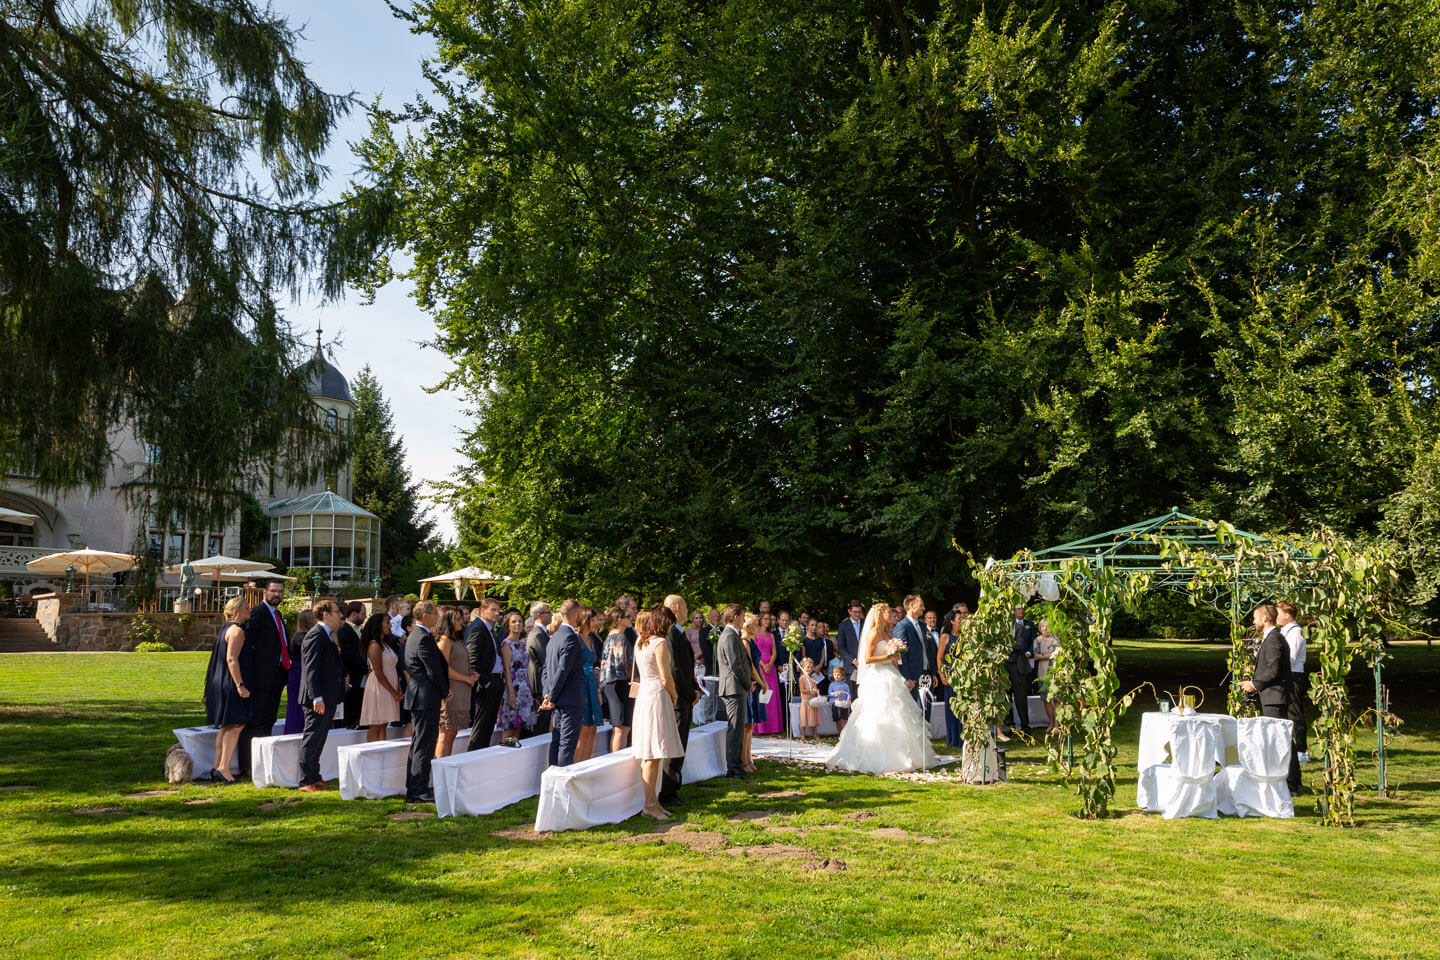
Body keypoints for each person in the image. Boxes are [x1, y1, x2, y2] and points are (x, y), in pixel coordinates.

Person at [826, 603, 940, 774]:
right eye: (888, 612)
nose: (892, 614)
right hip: (878, 676)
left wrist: (896, 656)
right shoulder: (873, 633)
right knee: (880, 713)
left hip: (891, 673)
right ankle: (877, 753)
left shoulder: (887, 632)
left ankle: (904, 754)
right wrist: (889, 656)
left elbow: (892, 655)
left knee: (899, 711)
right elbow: (868, 658)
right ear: (880, 614)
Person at [1241, 604, 1302, 794]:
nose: (1253, 621)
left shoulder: (1274, 639)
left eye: (1255, 618)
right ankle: (1289, 781)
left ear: (1265, 618)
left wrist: (1254, 684)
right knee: (1281, 739)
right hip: (1272, 696)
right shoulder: (1272, 638)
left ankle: (1291, 783)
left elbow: (1273, 670)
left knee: (1281, 739)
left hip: (1275, 697)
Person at [631, 609, 684, 820]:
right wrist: (674, 696)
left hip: (645, 695)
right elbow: (665, 676)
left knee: (651, 752)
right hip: (656, 696)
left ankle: (653, 801)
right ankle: (649, 804)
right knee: (653, 753)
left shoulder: (640, 641)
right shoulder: (659, 643)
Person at [239, 578, 289, 776]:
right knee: (255, 722)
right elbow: (247, 645)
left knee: (269, 720)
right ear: (265, 592)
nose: (277, 595)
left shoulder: (278, 614)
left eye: (280, 592)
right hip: (260, 677)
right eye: (274, 591)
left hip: (277, 674)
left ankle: (263, 761)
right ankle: (247, 765)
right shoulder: (258, 613)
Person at [203, 594, 253, 783]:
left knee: (226, 726)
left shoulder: (226, 629)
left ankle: (217, 766)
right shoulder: (237, 631)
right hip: (231, 683)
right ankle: (224, 768)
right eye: (247, 607)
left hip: (220, 682)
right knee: (236, 724)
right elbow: (231, 659)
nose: (250, 610)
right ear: (237, 611)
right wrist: (240, 685)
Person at [402, 600, 448, 803]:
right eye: (435, 614)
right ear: (424, 616)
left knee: (421, 742)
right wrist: (444, 691)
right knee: (424, 743)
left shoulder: (421, 635)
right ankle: (418, 788)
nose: (438, 617)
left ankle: (415, 785)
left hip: (423, 694)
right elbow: (433, 669)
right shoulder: (421, 637)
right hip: (424, 695)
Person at [297, 600, 345, 792]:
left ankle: (314, 774)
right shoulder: (315, 636)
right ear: (326, 614)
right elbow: (311, 669)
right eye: (337, 612)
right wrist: (316, 697)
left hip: (327, 696)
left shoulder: (326, 635)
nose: (340, 616)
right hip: (318, 698)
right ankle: (305, 779)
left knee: (320, 736)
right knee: (312, 736)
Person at [659, 595, 699, 807]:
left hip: (684, 696)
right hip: (677, 699)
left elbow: (685, 667)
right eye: (685, 606)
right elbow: (674, 669)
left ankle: (673, 788)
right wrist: (690, 694)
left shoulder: (677, 632)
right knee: (673, 746)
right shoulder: (670, 634)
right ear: (676, 608)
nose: (687, 610)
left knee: (680, 743)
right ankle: (667, 792)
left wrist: (695, 687)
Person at [539, 599, 585, 767]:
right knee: (566, 744)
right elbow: (562, 670)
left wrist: (547, 693)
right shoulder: (570, 638)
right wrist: (551, 696)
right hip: (569, 700)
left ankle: (553, 781)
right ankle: (561, 783)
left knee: (557, 742)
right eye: (579, 613)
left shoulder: (555, 637)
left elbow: (546, 670)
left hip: (558, 698)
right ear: (574, 614)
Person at [715, 604, 757, 778]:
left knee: (738, 728)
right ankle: (733, 768)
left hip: (736, 687)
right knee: (735, 729)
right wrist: (748, 683)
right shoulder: (730, 636)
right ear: (734, 617)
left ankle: (737, 764)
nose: (743, 619)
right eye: (741, 616)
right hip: (733, 688)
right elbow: (735, 665)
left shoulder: (732, 635)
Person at [464, 597, 505, 752]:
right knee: (481, 727)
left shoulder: (487, 628)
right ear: (483, 610)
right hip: (486, 684)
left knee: (488, 726)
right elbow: (471, 657)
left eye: (498, 611)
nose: (496, 614)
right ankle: (474, 757)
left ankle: (480, 756)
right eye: (493, 610)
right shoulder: (477, 628)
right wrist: (484, 681)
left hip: (494, 681)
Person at [435, 609, 478, 758]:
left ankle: (445, 769)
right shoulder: (444, 640)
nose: (461, 622)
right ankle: (438, 773)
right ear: (448, 621)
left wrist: (471, 674)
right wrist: (466, 678)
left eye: (461, 619)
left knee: (452, 734)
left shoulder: (457, 640)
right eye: (457, 619)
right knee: (445, 734)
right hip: (451, 691)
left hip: (462, 692)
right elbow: (442, 667)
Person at [358, 612, 402, 742]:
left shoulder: (385, 644)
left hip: (388, 685)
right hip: (380, 686)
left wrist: (397, 686)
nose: (390, 626)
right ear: (378, 625)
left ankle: (381, 754)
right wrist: (393, 692)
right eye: (387, 623)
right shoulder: (374, 645)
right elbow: (379, 673)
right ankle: (371, 756)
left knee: (383, 724)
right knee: (376, 724)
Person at [1277, 601, 1310, 762]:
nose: (1275, 617)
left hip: (1294, 676)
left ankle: (1301, 751)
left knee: (1295, 714)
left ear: (1287, 615)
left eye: (1278, 613)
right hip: (1285, 675)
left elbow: (1290, 658)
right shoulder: (1284, 631)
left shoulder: (1296, 632)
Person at [496, 610, 537, 738]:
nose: (517, 624)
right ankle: (503, 755)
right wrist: (511, 694)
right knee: (510, 726)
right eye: (514, 622)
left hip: (524, 686)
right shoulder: (506, 644)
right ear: (508, 625)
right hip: (513, 687)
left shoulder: (523, 643)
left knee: (519, 725)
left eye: (519, 621)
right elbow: (507, 670)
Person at [599, 607, 634, 750]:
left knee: (621, 727)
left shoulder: (609, 637)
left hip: (611, 683)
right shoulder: (621, 638)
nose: (630, 619)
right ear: (619, 620)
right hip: (619, 683)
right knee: (621, 727)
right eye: (628, 617)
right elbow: (626, 662)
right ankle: (617, 761)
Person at [574, 606, 605, 762]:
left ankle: (585, 765)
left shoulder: (592, 639)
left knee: (592, 729)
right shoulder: (576, 638)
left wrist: (598, 691)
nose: (594, 623)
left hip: (592, 685)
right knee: (583, 730)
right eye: (591, 620)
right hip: (581, 686)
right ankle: (576, 766)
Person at [1003, 605, 1037, 740]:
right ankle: (1009, 725)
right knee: (1006, 695)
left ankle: (1025, 726)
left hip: (1019, 664)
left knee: (1021, 696)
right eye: (1018, 608)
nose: (1021, 611)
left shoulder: (1024, 626)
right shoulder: (1005, 626)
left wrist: (1009, 647)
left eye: (1023, 608)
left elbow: (1019, 645)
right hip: (1005, 665)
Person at [742, 614, 770, 770]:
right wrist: (760, 681)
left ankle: (749, 758)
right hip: (750, 684)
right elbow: (750, 665)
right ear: (748, 627)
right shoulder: (744, 642)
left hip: (757, 682)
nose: (759, 628)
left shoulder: (752, 641)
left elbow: (758, 664)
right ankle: (744, 760)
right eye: (756, 625)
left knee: (751, 724)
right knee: (747, 724)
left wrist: (764, 681)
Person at [283, 608, 315, 734]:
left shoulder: (299, 636)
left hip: (297, 671)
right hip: (300, 672)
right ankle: (295, 731)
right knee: (298, 705)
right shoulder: (303, 638)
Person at [337, 602, 367, 728]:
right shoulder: (344, 631)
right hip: (352, 676)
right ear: (353, 614)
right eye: (363, 614)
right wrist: (366, 667)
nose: (365, 617)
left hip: (361, 677)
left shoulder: (362, 630)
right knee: (352, 707)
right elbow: (349, 656)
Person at [938, 609, 965, 748]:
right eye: (959, 619)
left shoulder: (965, 636)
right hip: (951, 676)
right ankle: (954, 738)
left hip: (964, 677)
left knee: (964, 706)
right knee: (953, 707)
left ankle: (965, 736)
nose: (961, 621)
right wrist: (943, 676)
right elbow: (939, 657)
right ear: (952, 621)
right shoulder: (945, 637)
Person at [893, 595, 927, 703]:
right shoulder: (902, 626)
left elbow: (927, 649)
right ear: (911, 605)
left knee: (927, 709)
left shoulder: (922, 625)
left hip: (926, 674)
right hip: (913, 676)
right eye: (921, 605)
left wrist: (933, 672)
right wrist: (906, 678)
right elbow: (901, 655)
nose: (924, 608)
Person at [754, 612, 783, 735]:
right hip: (759, 665)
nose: (767, 621)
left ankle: (773, 726)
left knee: (772, 696)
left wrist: (770, 664)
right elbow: (754, 651)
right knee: (761, 695)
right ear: (760, 620)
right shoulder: (755, 634)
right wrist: (763, 664)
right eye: (765, 619)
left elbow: (774, 652)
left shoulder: (771, 635)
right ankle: (760, 727)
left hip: (770, 668)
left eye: (769, 619)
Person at [526, 601, 553, 735]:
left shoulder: (542, 633)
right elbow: (546, 661)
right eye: (548, 612)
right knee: (540, 727)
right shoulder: (537, 635)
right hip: (540, 688)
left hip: (543, 685)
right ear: (539, 615)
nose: (551, 614)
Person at [1033, 618, 1059, 733]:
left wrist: (1043, 655)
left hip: (1055, 673)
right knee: (1046, 700)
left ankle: (1057, 725)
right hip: (1042, 673)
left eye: (1047, 626)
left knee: (1057, 699)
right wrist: (1050, 655)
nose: (1045, 628)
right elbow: (1036, 655)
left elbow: (1057, 654)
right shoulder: (1037, 640)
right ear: (1040, 628)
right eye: (1043, 626)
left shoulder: (1056, 638)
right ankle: (1051, 723)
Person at [836, 600, 864, 701]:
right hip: (851, 666)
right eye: (855, 612)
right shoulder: (843, 626)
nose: (857, 614)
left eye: (859, 612)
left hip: (866, 664)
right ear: (849, 611)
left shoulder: (866, 624)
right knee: (853, 695)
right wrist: (854, 661)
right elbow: (841, 647)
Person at [797, 657, 822, 742]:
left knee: (813, 719)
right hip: (805, 702)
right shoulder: (802, 678)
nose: (809, 669)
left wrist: (816, 691)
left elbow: (815, 688)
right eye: (807, 667)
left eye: (811, 668)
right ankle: (803, 735)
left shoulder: (813, 678)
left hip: (812, 702)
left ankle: (815, 734)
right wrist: (810, 690)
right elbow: (802, 690)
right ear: (803, 667)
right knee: (804, 719)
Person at [827, 666, 852, 736]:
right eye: (835, 674)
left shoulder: (845, 685)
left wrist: (849, 699)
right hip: (835, 704)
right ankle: (839, 733)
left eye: (838, 675)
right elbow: (829, 694)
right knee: (837, 720)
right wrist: (836, 693)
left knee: (843, 719)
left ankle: (843, 734)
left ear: (843, 676)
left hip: (844, 704)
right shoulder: (831, 685)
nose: (837, 676)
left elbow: (848, 693)